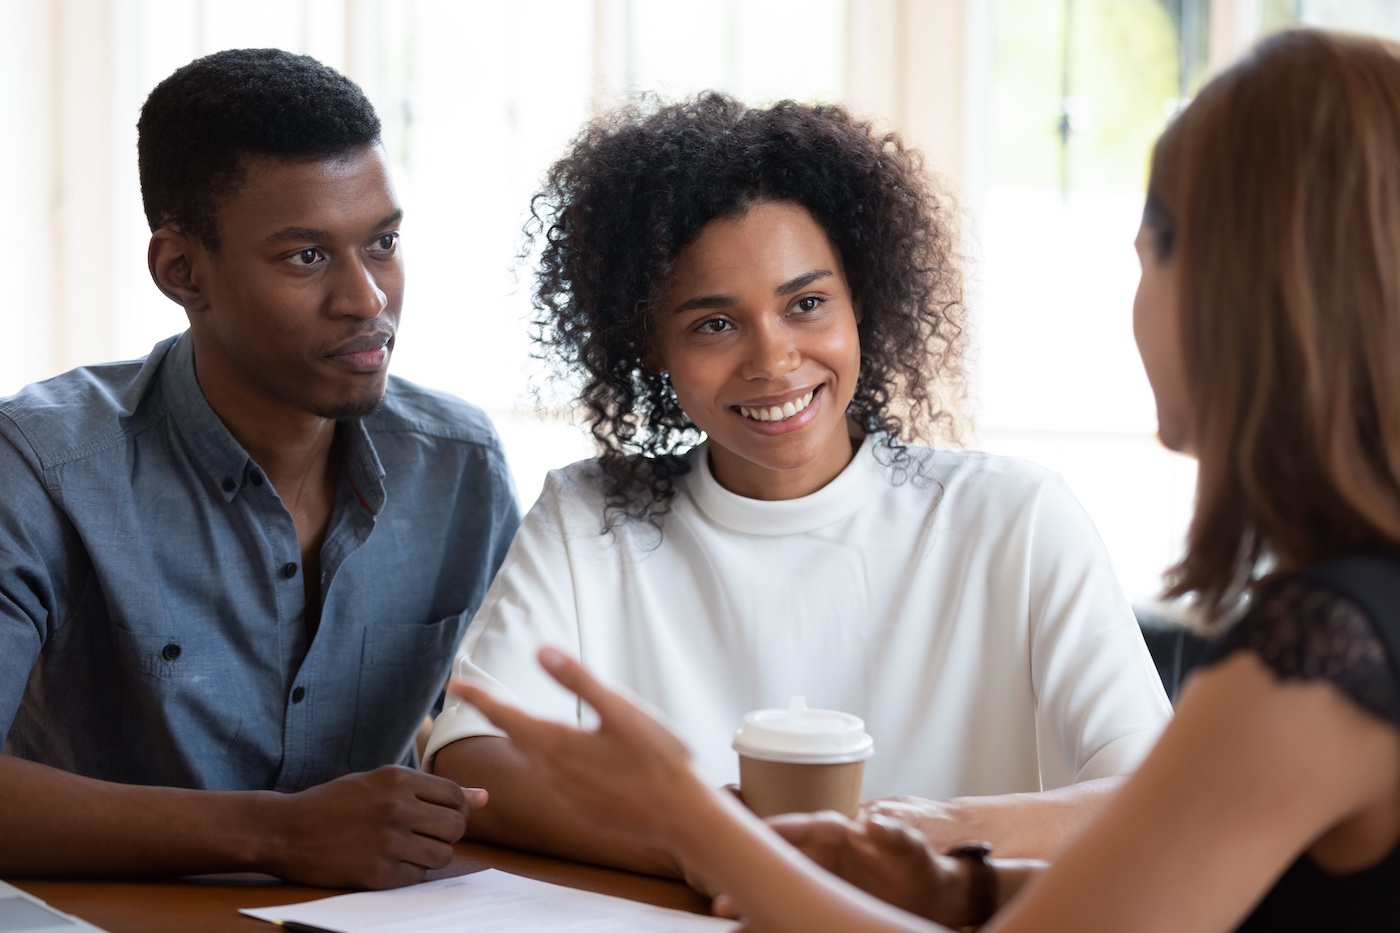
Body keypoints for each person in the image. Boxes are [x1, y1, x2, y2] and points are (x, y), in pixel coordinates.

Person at [450, 27, 1400, 932]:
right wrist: (954, 880)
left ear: (1248, 294)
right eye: (712, 322)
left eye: (1149, 250)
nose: (773, 359)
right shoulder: (1350, 622)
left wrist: (704, 825)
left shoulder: (1319, 654)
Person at [427, 92, 1171, 874]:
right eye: (715, 323)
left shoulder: (1014, 518)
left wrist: (920, 833)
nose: (773, 360)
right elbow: (474, 761)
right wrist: (715, 844)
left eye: (807, 304)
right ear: (650, 342)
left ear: (863, 303)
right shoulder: (588, 518)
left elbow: (1150, 791)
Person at [0, 48, 520, 888]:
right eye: (306, 257)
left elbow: (511, 743)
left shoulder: (459, 465)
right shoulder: (41, 464)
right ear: (181, 270)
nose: (367, 299)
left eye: (382, 242)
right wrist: (275, 835)